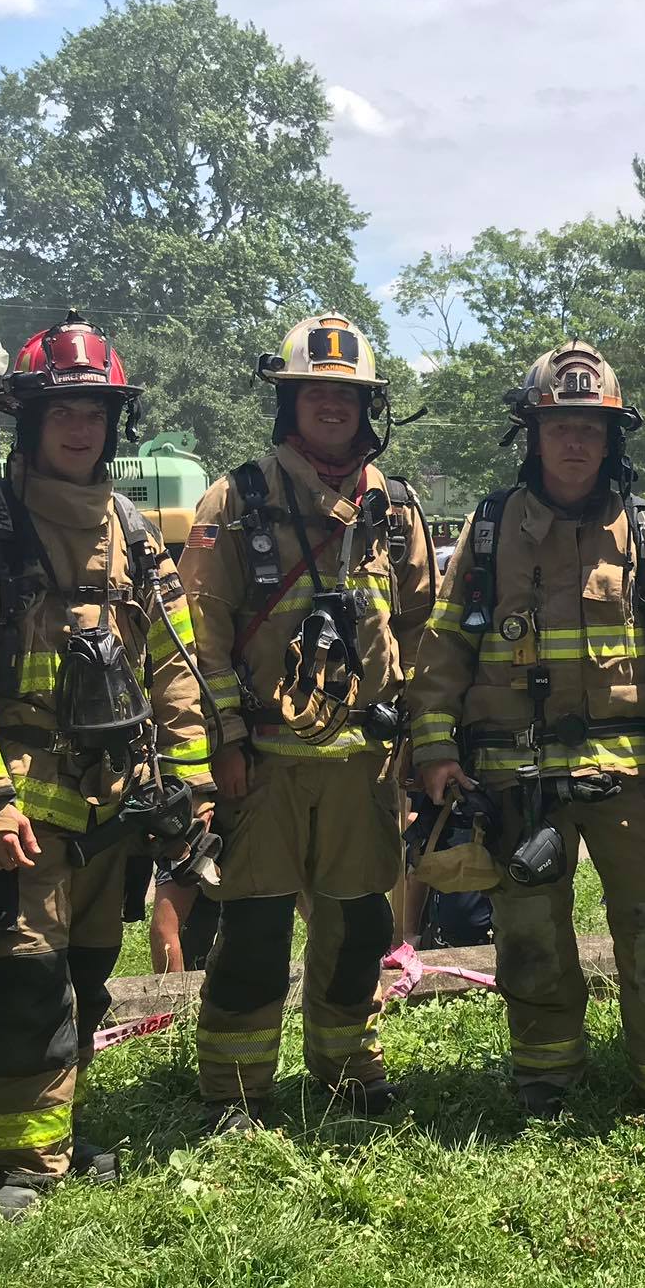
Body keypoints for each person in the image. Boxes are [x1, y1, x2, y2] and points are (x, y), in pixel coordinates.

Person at [0, 311, 212, 1215]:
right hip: (23, 806)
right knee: (26, 975)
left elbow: (174, 657)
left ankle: (53, 1128)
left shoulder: (131, 528)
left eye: (95, 409)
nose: (81, 426)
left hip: (112, 802)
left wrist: (191, 777)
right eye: (63, 410)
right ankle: (13, 1165)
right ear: (30, 420)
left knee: (86, 972)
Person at [409, 342, 645, 1123]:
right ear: (534, 435)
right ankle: (545, 1080)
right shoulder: (489, 532)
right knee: (529, 941)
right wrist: (436, 746)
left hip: (631, 775)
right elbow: (446, 645)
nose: (577, 442)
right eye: (561, 427)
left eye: (592, 426)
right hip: (514, 780)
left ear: (613, 437)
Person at [178, 313, 434, 1124]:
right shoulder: (240, 497)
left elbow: (426, 630)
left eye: (348, 395)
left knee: (359, 930)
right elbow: (200, 635)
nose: (332, 406)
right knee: (253, 934)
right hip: (266, 763)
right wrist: (221, 742)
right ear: (289, 402)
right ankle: (235, 1090)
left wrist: (421, 747)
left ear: (369, 409)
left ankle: (349, 1068)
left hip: (364, 769)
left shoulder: (394, 508)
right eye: (315, 392)